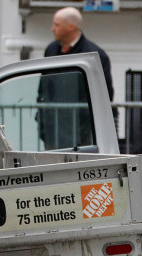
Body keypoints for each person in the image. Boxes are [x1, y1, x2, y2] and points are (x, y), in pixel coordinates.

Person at [37, 7, 113, 150]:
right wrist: (42, 121)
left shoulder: (94, 55)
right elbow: (43, 88)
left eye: (57, 24)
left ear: (71, 27)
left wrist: (87, 126)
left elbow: (105, 94)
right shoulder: (51, 50)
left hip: (82, 133)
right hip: (53, 130)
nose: (52, 28)